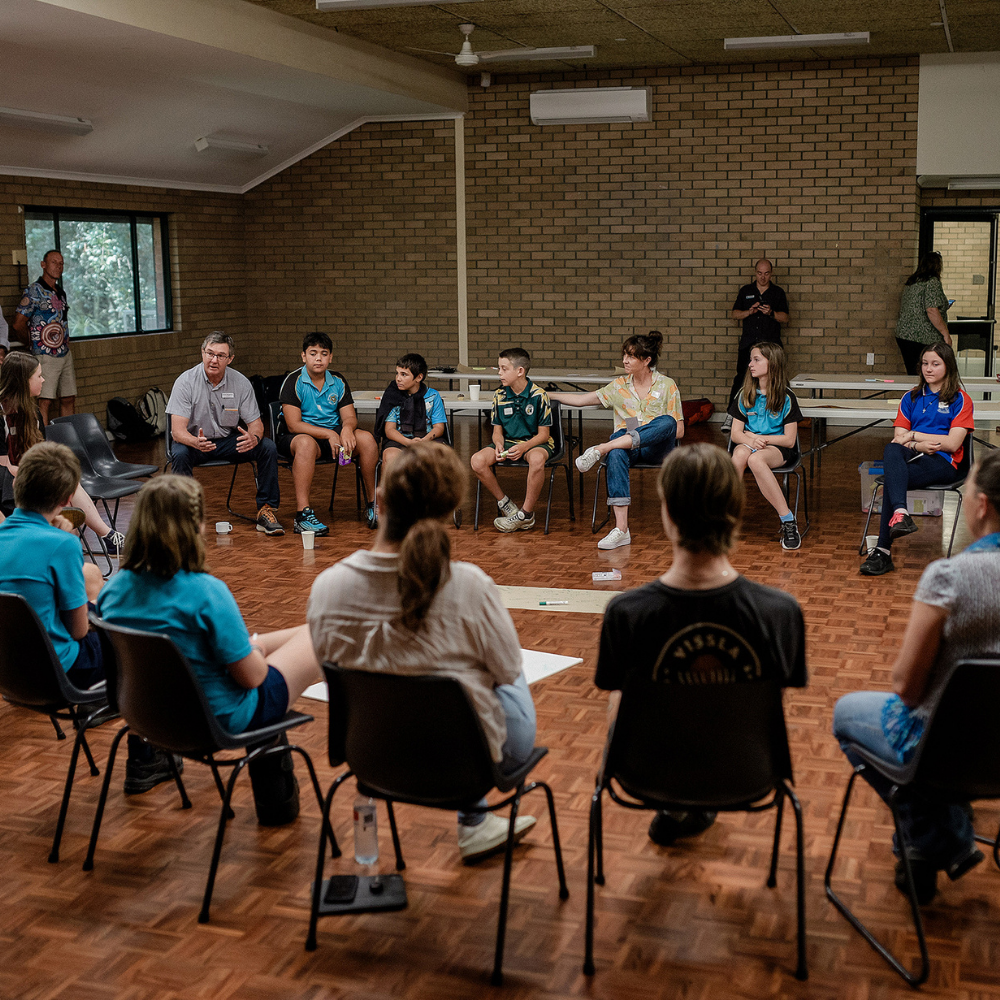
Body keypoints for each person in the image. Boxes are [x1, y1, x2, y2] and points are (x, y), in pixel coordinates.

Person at [308, 441, 538, 863]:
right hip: (466, 766)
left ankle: (476, 818)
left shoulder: (328, 587)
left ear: (378, 501)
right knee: (506, 670)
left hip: (372, 755)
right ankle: (474, 820)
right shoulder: (470, 585)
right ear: (450, 510)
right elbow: (506, 673)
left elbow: (330, 672)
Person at [595, 443, 806, 845]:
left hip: (646, 772)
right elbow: (772, 705)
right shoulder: (780, 612)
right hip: (747, 771)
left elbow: (618, 710)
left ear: (667, 514)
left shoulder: (626, 613)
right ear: (736, 511)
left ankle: (678, 808)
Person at [97, 475, 323, 823]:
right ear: (195, 527)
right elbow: (252, 679)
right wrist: (258, 651)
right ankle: (275, 803)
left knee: (296, 635)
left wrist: (257, 646)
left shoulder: (114, 591)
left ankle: (149, 762)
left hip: (146, 715)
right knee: (317, 640)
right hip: (215, 719)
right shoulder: (206, 592)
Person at [833, 450, 1000, 904]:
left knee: (846, 713)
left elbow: (906, 690)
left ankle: (941, 833)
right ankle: (929, 839)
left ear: (982, 505)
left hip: (941, 744)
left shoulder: (949, 577)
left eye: (966, 491)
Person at [0, 442, 175, 793]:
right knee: (144, 640)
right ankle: (145, 758)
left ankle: (108, 705)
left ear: (18, 488)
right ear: (67, 499)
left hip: (12, 674)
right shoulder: (61, 545)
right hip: (60, 673)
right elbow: (79, 631)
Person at [550, 331, 684, 550]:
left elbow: (678, 431)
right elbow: (583, 399)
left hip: (656, 449)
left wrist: (642, 433)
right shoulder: (618, 385)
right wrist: (548, 395)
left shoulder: (667, 385)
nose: (624, 361)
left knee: (667, 422)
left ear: (646, 360)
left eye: (631, 357)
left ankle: (602, 447)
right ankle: (621, 530)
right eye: (624, 355)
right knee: (617, 452)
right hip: (626, 449)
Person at [860, 342, 973, 576]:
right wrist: (917, 444)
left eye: (935, 364)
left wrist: (913, 435)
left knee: (894, 478)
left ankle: (882, 552)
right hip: (914, 454)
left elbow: (952, 444)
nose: (928, 369)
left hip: (944, 462)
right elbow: (897, 439)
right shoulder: (910, 397)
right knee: (892, 450)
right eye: (924, 363)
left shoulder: (960, 399)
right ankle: (901, 513)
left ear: (948, 366)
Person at [0, 351, 124, 553]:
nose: (43, 380)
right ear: (22, 381)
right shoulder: (1, 415)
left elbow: (39, 454)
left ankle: (107, 536)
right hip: (6, 481)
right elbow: (3, 467)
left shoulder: (33, 413)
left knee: (64, 477)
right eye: (38, 376)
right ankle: (106, 535)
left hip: (27, 476)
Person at [166, 331, 284, 536]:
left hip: (227, 440)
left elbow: (256, 424)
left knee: (267, 447)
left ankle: (266, 510)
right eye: (210, 353)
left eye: (221, 355)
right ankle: (183, 518)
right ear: (202, 353)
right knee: (180, 453)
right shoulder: (185, 382)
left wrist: (253, 437)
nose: (214, 360)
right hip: (194, 441)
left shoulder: (240, 383)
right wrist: (195, 442)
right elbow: (177, 432)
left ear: (230, 359)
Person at [277, 331, 378, 535]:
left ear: (330, 357)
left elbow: (349, 417)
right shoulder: (293, 381)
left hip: (332, 436)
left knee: (366, 439)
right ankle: (302, 515)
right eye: (313, 353)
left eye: (324, 354)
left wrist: (347, 429)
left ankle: (374, 505)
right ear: (304, 356)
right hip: (299, 437)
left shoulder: (338, 381)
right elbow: (293, 425)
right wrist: (329, 434)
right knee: (305, 443)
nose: (318, 358)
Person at [728, 342, 804, 551]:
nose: (750, 364)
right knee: (740, 455)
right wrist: (750, 440)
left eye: (756, 359)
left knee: (755, 459)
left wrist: (762, 440)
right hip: (750, 443)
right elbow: (735, 434)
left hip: (777, 448)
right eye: (751, 359)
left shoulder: (787, 397)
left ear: (773, 364)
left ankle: (788, 520)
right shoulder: (744, 394)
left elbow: (789, 440)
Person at [470, 347, 553, 533]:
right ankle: (506, 504)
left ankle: (526, 514)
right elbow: (497, 431)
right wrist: (498, 443)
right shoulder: (499, 395)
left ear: (520, 371)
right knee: (477, 460)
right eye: (499, 368)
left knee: (538, 459)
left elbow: (544, 435)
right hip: (508, 443)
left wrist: (524, 447)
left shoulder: (539, 395)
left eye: (504, 368)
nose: (499, 373)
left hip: (534, 443)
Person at [724, 258, 790, 429]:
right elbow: (734, 314)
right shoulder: (746, 290)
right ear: (755, 273)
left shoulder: (777, 292)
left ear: (771, 274)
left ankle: (779, 416)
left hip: (771, 346)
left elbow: (786, 317)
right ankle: (732, 416)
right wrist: (749, 311)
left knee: (775, 378)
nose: (763, 277)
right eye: (760, 273)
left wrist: (771, 313)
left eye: (766, 273)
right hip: (749, 344)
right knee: (741, 378)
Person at [12, 250, 75, 423]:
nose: (58, 266)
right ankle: (43, 444)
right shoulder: (34, 291)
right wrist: (32, 343)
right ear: (43, 265)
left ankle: (68, 442)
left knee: (68, 397)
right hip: (45, 354)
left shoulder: (60, 292)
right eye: (54, 262)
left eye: (61, 263)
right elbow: (18, 323)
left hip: (64, 353)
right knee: (44, 401)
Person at [373, 353, 448, 476]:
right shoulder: (392, 395)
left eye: (404, 375)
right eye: (397, 373)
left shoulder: (433, 396)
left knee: (439, 458)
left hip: (427, 438)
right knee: (391, 457)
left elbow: (439, 428)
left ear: (418, 377)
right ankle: (392, 494)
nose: (398, 378)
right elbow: (389, 430)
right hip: (399, 439)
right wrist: (408, 442)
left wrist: (424, 441)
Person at [895, 250, 952, 376]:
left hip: (904, 335)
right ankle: (924, 396)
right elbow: (932, 309)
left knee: (914, 373)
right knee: (927, 374)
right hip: (922, 338)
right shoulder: (932, 282)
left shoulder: (912, 282)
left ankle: (917, 395)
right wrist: (945, 333)